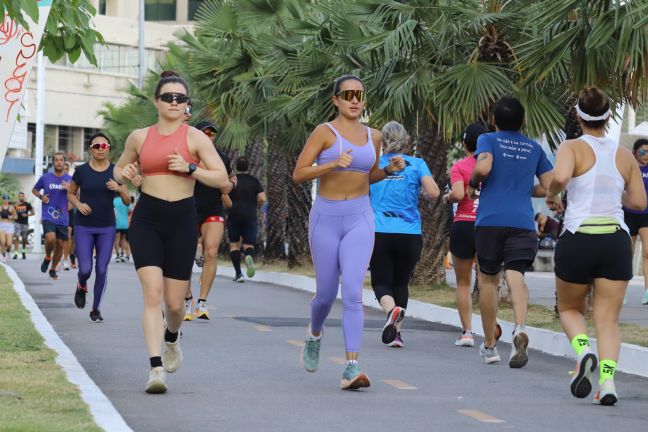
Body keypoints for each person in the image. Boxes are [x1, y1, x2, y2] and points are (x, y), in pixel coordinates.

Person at [113, 71, 228, 394]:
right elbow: (118, 172)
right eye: (168, 97)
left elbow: (221, 178)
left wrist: (191, 167)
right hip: (147, 218)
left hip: (181, 220)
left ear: (186, 103)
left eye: (180, 98)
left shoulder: (195, 138)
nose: (174, 102)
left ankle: (172, 337)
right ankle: (155, 369)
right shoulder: (139, 137)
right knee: (152, 294)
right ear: (157, 101)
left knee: (175, 306)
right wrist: (127, 172)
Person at [293, 74, 405, 390]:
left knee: (353, 291)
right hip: (325, 218)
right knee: (326, 295)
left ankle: (351, 367)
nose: (355, 99)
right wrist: (331, 165)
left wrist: (388, 171)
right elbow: (299, 174)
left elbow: (368, 175)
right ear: (336, 100)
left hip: (360, 217)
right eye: (348, 94)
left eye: (359, 94)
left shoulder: (375, 136)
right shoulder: (324, 133)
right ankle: (314, 334)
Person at [546, 87, 646, 406]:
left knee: (569, 309)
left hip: (579, 237)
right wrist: (614, 192)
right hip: (615, 240)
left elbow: (560, 176)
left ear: (578, 116)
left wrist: (552, 194)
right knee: (607, 320)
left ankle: (583, 350)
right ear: (607, 117)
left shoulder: (572, 146)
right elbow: (640, 202)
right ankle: (607, 380)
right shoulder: (625, 155)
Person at [467, 96, 552, 368]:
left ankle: (490, 345)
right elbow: (548, 186)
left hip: (491, 221)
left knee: (489, 280)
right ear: (523, 121)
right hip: (522, 223)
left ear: (493, 120)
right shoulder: (533, 147)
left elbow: (483, 167)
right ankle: (519, 327)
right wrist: (522, 187)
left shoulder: (488, 140)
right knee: (517, 277)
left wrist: (472, 183)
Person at [369, 121, 439, 348]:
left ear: (383, 142)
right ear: (407, 141)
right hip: (409, 234)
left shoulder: (374, 166)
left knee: (381, 282)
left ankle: (391, 311)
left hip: (379, 231)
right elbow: (433, 192)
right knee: (401, 282)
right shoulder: (417, 164)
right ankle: (397, 335)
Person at [68, 132, 130, 323]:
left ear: (109, 148)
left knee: (102, 268)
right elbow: (71, 194)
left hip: (106, 227)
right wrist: (79, 205)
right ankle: (82, 285)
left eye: (104, 146)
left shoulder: (115, 171)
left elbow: (127, 201)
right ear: (90, 149)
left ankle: (95, 309)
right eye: (97, 146)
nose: (101, 149)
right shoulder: (81, 171)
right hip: (84, 226)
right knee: (85, 268)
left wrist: (119, 188)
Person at [184, 120, 235, 321]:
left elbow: (229, 179)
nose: (208, 134)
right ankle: (188, 300)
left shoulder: (221, 158)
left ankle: (202, 303)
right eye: (203, 131)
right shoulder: (187, 155)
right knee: (185, 257)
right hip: (188, 207)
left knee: (211, 252)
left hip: (213, 208)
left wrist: (229, 186)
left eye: (211, 132)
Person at [445, 122, 489, 347]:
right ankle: (490, 333)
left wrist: (448, 197)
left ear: (465, 144)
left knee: (463, 282)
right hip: (487, 226)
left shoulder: (460, 166)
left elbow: (459, 193)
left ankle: (467, 333)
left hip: (463, 226)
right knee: (486, 281)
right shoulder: (492, 165)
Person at [33, 152, 73, 280]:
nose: (59, 162)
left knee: (60, 244)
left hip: (63, 217)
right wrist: (41, 197)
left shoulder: (69, 179)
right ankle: (47, 256)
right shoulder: (45, 178)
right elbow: (35, 189)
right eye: (57, 160)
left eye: (61, 160)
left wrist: (69, 190)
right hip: (48, 215)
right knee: (50, 239)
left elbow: (77, 196)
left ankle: (53, 269)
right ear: (53, 162)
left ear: (64, 162)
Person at [227, 156, 265, 283]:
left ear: (236, 167)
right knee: (248, 244)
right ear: (248, 167)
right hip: (250, 215)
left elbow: (224, 196)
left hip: (234, 215)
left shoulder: (233, 181)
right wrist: (253, 201)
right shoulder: (254, 181)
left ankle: (238, 273)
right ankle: (248, 256)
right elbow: (262, 198)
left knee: (234, 245)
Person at [623, 137, 648, 305]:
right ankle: (620, 292)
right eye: (643, 151)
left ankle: (647, 292)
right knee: (626, 255)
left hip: (646, 215)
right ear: (634, 152)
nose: (646, 155)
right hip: (628, 215)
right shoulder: (628, 168)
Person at [62, 162, 76, 270]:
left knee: (70, 235)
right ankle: (60, 257)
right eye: (63, 169)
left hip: (69, 212)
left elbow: (77, 197)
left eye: (67, 169)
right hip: (56, 213)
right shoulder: (55, 181)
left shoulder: (72, 181)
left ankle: (68, 258)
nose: (65, 171)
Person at [13, 192, 34, 260]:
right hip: (17, 222)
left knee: (24, 238)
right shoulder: (16, 204)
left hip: (24, 223)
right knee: (16, 237)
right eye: (20, 196)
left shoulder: (27, 204)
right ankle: (16, 253)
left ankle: (23, 252)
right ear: (18, 197)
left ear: (24, 197)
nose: (21, 197)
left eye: (22, 196)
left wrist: (26, 215)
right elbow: (11, 211)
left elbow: (33, 213)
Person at [113, 194, 132, 263]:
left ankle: (118, 256)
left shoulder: (114, 201)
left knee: (116, 240)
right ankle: (122, 254)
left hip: (116, 223)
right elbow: (130, 210)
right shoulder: (126, 200)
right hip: (125, 223)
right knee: (123, 239)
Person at [0, 194, 17, 261]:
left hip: (9, 226)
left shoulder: (11, 208)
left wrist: (12, 217)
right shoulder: (0, 207)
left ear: (8, 200)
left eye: (7, 199)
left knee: (9, 244)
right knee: (3, 242)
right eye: (4, 199)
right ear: (2, 200)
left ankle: (8, 252)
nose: (5, 200)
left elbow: (16, 217)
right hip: (2, 225)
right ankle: (3, 255)